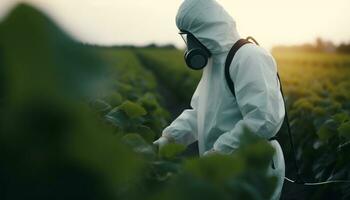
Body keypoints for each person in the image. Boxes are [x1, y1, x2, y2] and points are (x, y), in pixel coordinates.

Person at [153, 0, 285, 199]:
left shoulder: (248, 57)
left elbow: (263, 119)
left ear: (207, 29)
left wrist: (220, 151)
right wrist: (168, 139)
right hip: (224, 168)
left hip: (252, 168)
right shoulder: (214, 63)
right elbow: (199, 113)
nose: (190, 42)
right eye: (185, 35)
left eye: (191, 34)